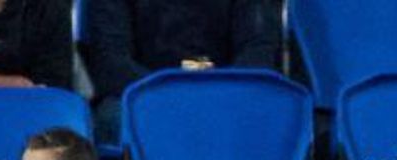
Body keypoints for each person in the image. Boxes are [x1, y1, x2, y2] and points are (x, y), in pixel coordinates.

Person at [81, 0, 282, 145]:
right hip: (144, 94)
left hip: (229, 93)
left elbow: (259, 51)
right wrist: (168, 93)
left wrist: (219, 92)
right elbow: (110, 59)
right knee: (115, 118)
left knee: (280, 119)